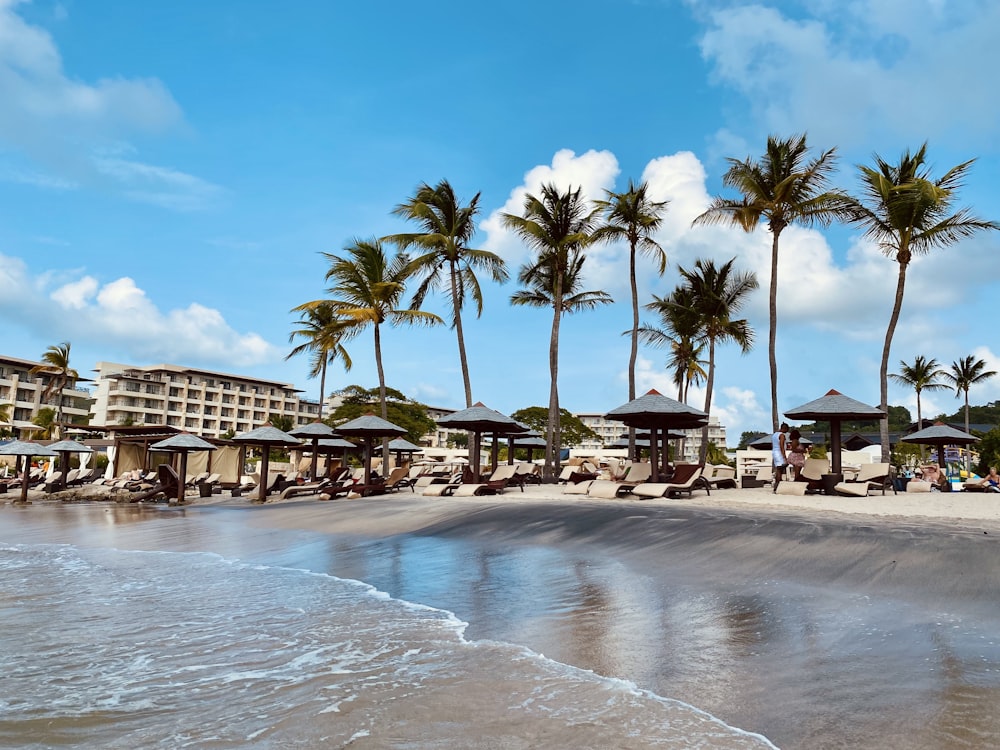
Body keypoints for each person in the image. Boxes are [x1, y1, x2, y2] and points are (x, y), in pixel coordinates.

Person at [771, 422, 789, 492]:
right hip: (779, 453)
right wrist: (784, 457)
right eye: (786, 430)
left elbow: (772, 445)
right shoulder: (781, 435)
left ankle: (777, 484)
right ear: (784, 428)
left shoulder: (774, 435)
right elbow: (781, 446)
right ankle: (777, 485)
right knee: (779, 470)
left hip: (774, 452)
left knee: (778, 469)